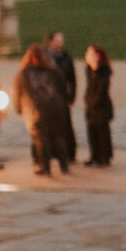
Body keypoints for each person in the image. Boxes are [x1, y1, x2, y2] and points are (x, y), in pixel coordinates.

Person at [12, 42, 73, 176]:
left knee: (41, 138)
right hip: (56, 108)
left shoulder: (24, 73)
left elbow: (18, 93)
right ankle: (64, 165)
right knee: (58, 136)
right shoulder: (54, 71)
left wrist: (18, 108)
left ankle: (45, 166)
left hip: (36, 110)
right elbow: (63, 90)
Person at [47, 31, 80, 164]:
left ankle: (69, 153)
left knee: (66, 126)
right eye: (57, 40)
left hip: (62, 96)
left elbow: (72, 79)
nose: (60, 43)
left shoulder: (66, 56)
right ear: (50, 41)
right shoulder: (45, 56)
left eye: (61, 40)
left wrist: (71, 97)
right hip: (48, 97)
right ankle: (49, 153)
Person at [83, 44, 113, 167]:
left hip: (100, 107)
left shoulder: (103, 71)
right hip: (91, 106)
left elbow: (102, 90)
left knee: (102, 132)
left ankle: (104, 156)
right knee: (92, 131)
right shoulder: (89, 70)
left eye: (90, 53)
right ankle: (94, 155)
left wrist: (93, 102)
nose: (87, 55)